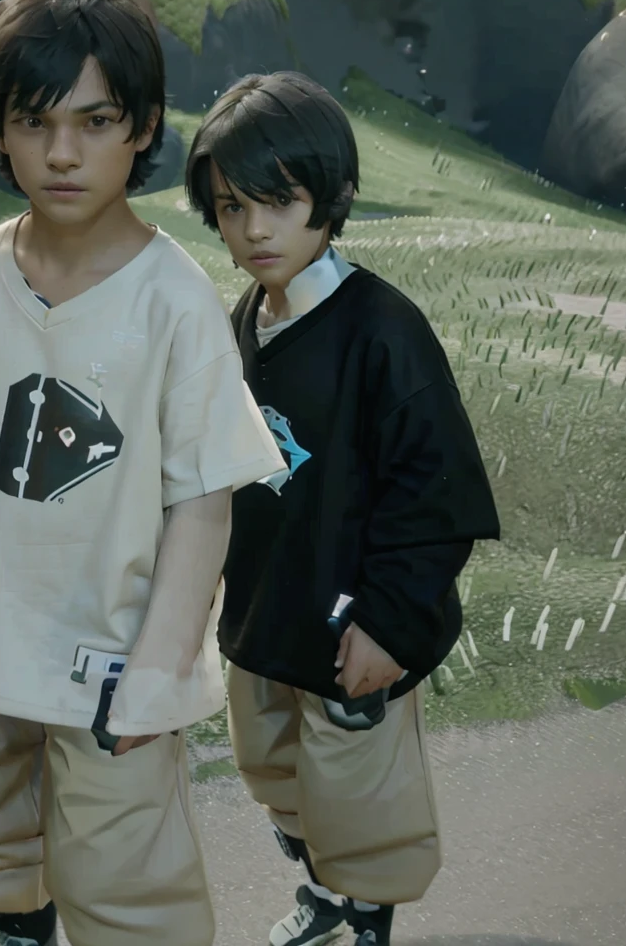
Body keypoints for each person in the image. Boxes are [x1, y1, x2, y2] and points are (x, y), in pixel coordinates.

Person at [0, 0, 285, 946]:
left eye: (94, 122)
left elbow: (204, 498)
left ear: (140, 129)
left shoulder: (173, 302)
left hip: (110, 651)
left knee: (124, 875)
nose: (62, 153)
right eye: (34, 121)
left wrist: (156, 663)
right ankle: (20, 927)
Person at [184, 72, 501, 946]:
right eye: (232, 205)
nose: (254, 229)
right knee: (274, 769)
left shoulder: (383, 331)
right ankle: (328, 888)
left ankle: (361, 916)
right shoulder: (243, 319)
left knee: (357, 791)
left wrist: (392, 621)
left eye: (279, 202)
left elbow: (435, 490)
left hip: (353, 621)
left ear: (334, 195)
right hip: (265, 612)